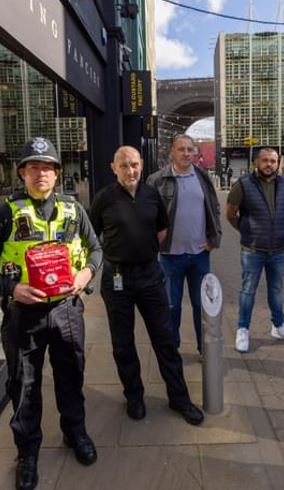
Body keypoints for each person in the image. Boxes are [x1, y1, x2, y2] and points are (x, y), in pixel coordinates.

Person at [0, 138, 102, 490]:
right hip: (23, 316)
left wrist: (86, 274)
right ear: (22, 174)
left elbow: (95, 250)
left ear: (57, 174)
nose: (40, 173)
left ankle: (75, 433)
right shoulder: (8, 213)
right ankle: (27, 453)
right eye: (33, 167)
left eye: (47, 167)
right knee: (24, 386)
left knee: (71, 377)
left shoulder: (74, 210)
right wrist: (13, 289)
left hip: (66, 311)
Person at [90, 146, 205, 425]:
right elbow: (92, 236)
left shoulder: (151, 194)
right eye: (125, 165)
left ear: (142, 165)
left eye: (135, 165)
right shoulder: (103, 199)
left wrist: (143, 250)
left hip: (150, 276)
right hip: (117, 279)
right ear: (114, 167)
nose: (131, 171)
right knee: (123, 343)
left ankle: (179, 398)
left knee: (164, 339)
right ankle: (134, 396)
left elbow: (161, 230)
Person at [147, 134, 222, 356]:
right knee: (172, 307)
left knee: (202, 307)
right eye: (181, 149)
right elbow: (147, 214)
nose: (186, 153)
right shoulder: (157, 180)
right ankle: (172, 350)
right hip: (170, 256)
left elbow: (214, 208)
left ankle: (204, 350)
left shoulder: (203, 177)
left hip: (200, 255)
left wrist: (213, 239)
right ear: (172, 152)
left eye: (190, 149)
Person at [226, 147, 284, 353]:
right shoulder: (243, 185)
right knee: (247, 291)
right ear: (256, 163)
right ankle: (242, 329)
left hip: (278, 249)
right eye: (265, 160)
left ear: (278, 163)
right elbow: (231, 213)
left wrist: (275, 230)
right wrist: (246, 229)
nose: (269, 164)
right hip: (252, 249)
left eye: (273, 161)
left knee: (276, 290)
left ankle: (279, 326)